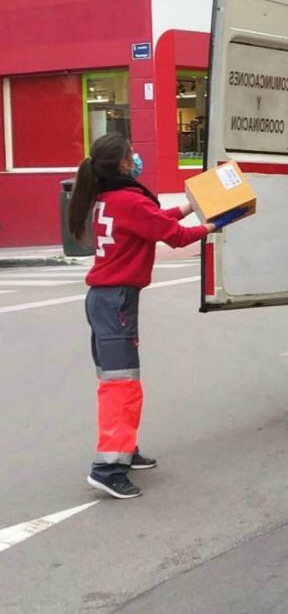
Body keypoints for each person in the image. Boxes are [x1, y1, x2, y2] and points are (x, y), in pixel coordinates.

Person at [68, 133, 245, 499]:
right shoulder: (129, 200)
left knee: (116, 379)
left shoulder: (110, 197)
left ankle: (124, 450)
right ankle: (108, 468)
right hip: (115, 301)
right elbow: (174, 236)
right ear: (120, 163)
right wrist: (214, 224)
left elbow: (155, 221)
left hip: (105, 299)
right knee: (122, 385)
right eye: (132, 154)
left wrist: (192, 207)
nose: (136, 159)